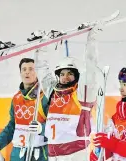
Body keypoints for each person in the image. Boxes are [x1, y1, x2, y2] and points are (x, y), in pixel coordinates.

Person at [35, 26, 101, 161]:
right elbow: (42, 70)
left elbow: (91, 66)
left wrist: (91, 39)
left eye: (70, 73)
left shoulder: (83, 94)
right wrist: (42, 45)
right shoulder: (53, 92)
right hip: (53, 154)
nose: (65, 77)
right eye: (62, 74)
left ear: (76, 76)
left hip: (75, 154)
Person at [0, 58, 49, 161]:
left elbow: (56, 128)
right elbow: (12, 126)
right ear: (20, 73)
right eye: (24, 69)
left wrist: (42, 129)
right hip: (18, 154)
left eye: (31, 69)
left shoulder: (44, 98)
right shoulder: (16, 98)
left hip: (38, 154)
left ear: (36, 72)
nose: (27, 72)